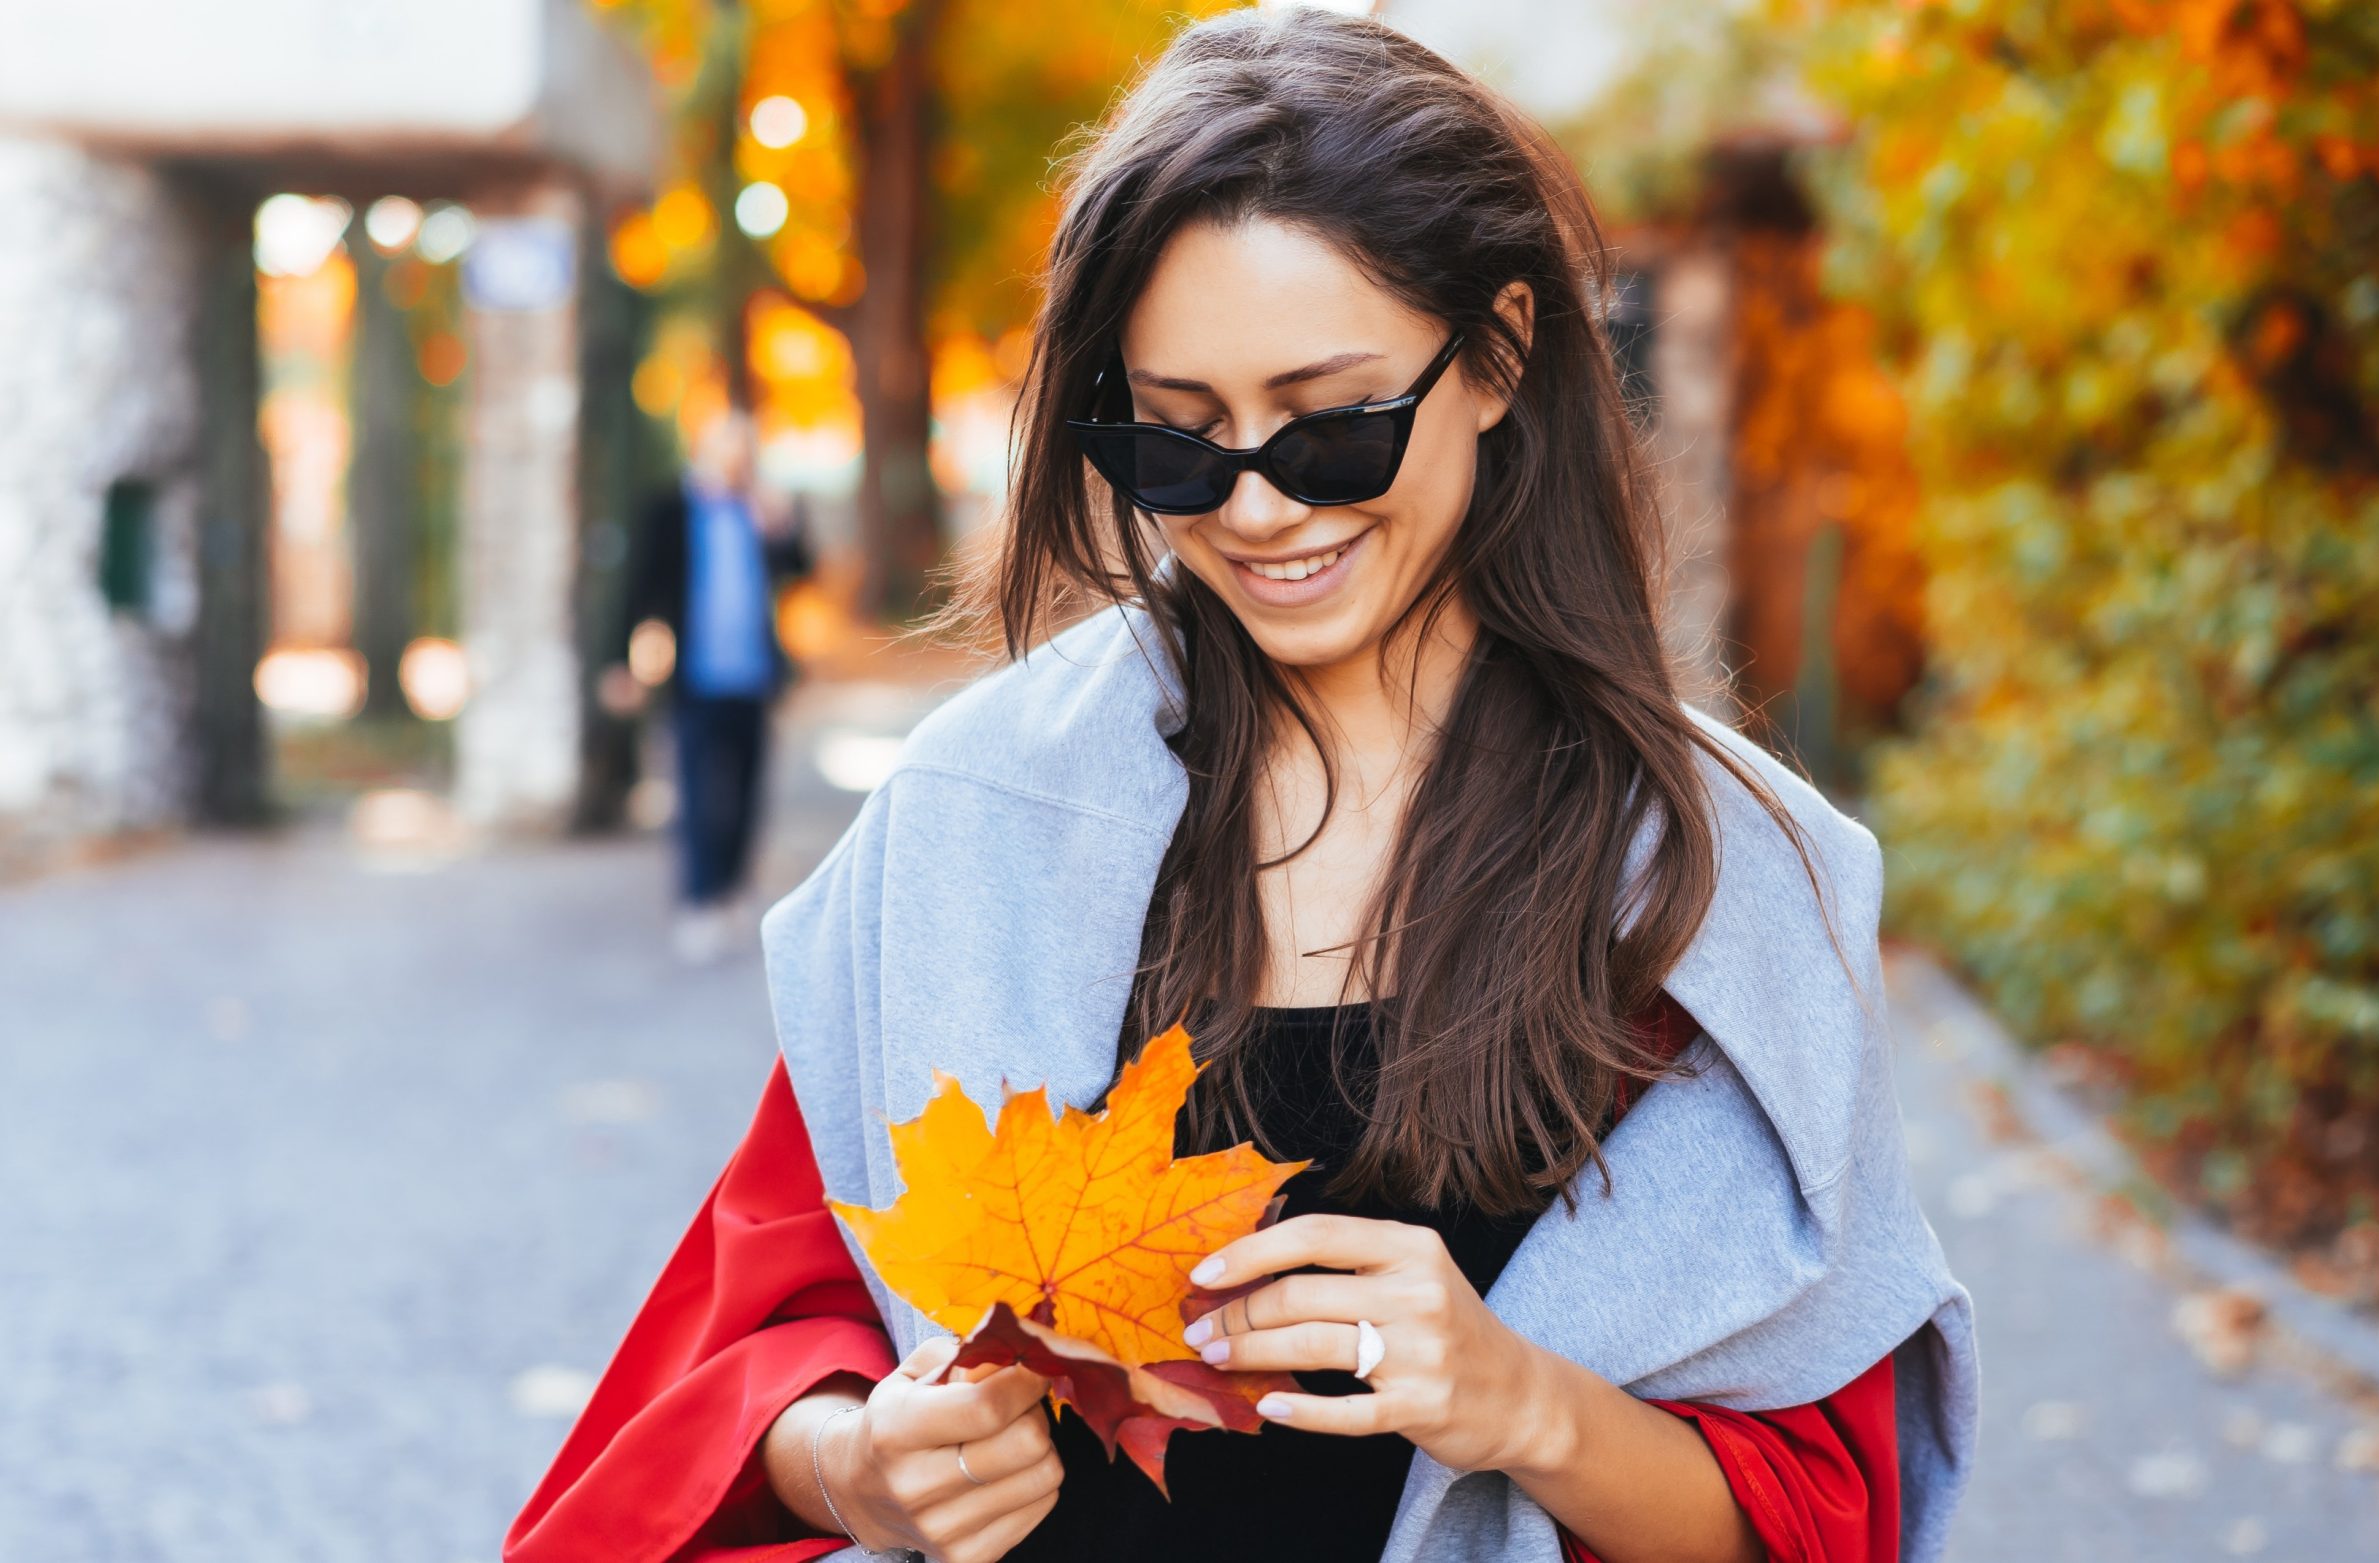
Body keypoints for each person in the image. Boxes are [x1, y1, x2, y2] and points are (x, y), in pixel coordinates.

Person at [512, 12, 1975, 1563]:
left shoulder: (1713, 877)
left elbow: (1817, 1511)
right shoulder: (978, 819)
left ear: (1497, 352)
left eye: (1332, 423)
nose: (1261, 508)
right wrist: (857, 1464)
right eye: (1181, 440)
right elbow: (756, 1342)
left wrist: (1521, 1398)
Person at [603, 409, 811, 964]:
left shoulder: (761, 512)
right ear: (706, 450)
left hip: (753, 679)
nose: (738, 461)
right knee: (695, 794)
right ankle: (698, 898)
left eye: (746, 450)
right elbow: (639, 587)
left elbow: (802, 570)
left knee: (746, 792)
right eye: (729, 449)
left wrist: (782, 529)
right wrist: (618, 661)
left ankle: (732, 887)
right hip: (694, 679)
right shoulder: (672, 510)